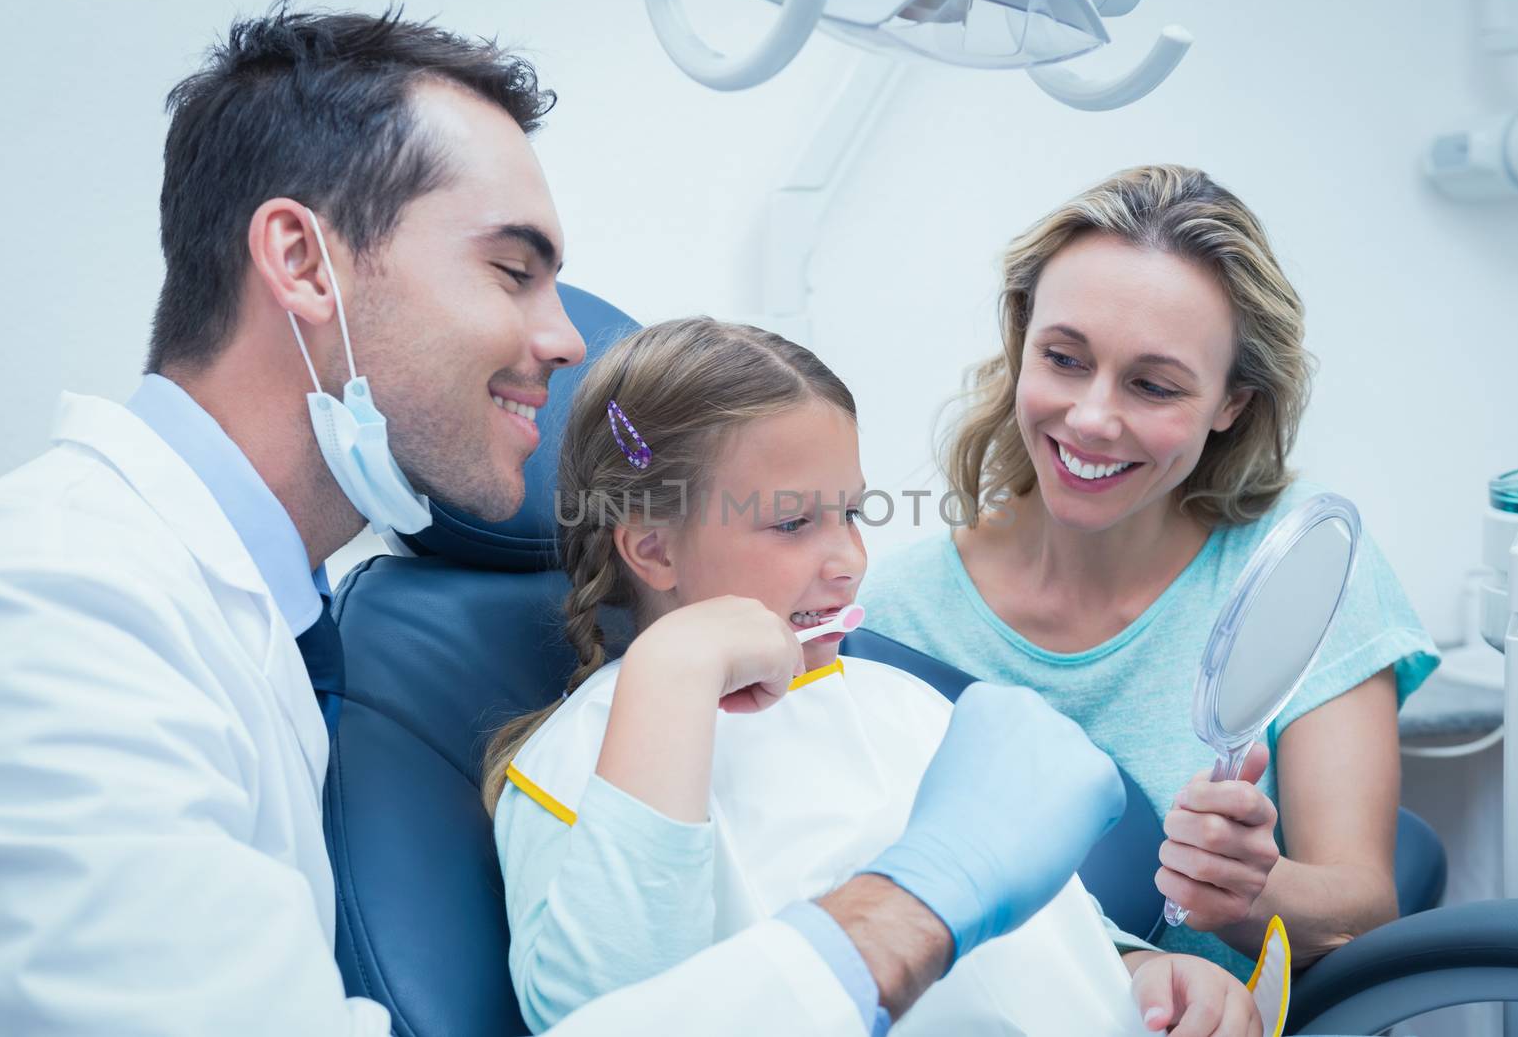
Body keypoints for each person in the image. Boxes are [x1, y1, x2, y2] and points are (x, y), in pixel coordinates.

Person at [0, 8, 1135, 1036]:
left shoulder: (264, 617)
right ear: (302, 260)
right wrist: (911, 906)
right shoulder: (53, 605)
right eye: (511, 270)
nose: (568, 339)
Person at [484, 317, 1265, 1036]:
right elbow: (603, 1013)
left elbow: (1042, 928)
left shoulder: (903, 703)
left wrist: (1142, 968)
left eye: (852, 514)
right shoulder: (586, 758)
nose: (851, 561)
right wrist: (673, 676)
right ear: (652, 550)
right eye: (792, 523)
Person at [858, 164, 1440, 977]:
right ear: (1021, 341)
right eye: (1062, 358)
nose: (1093, 417)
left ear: (1232, 402)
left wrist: (1247, 891)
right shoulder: (898, 611)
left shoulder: (1296, 569)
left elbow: (1364, 907)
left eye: (1154, 385)